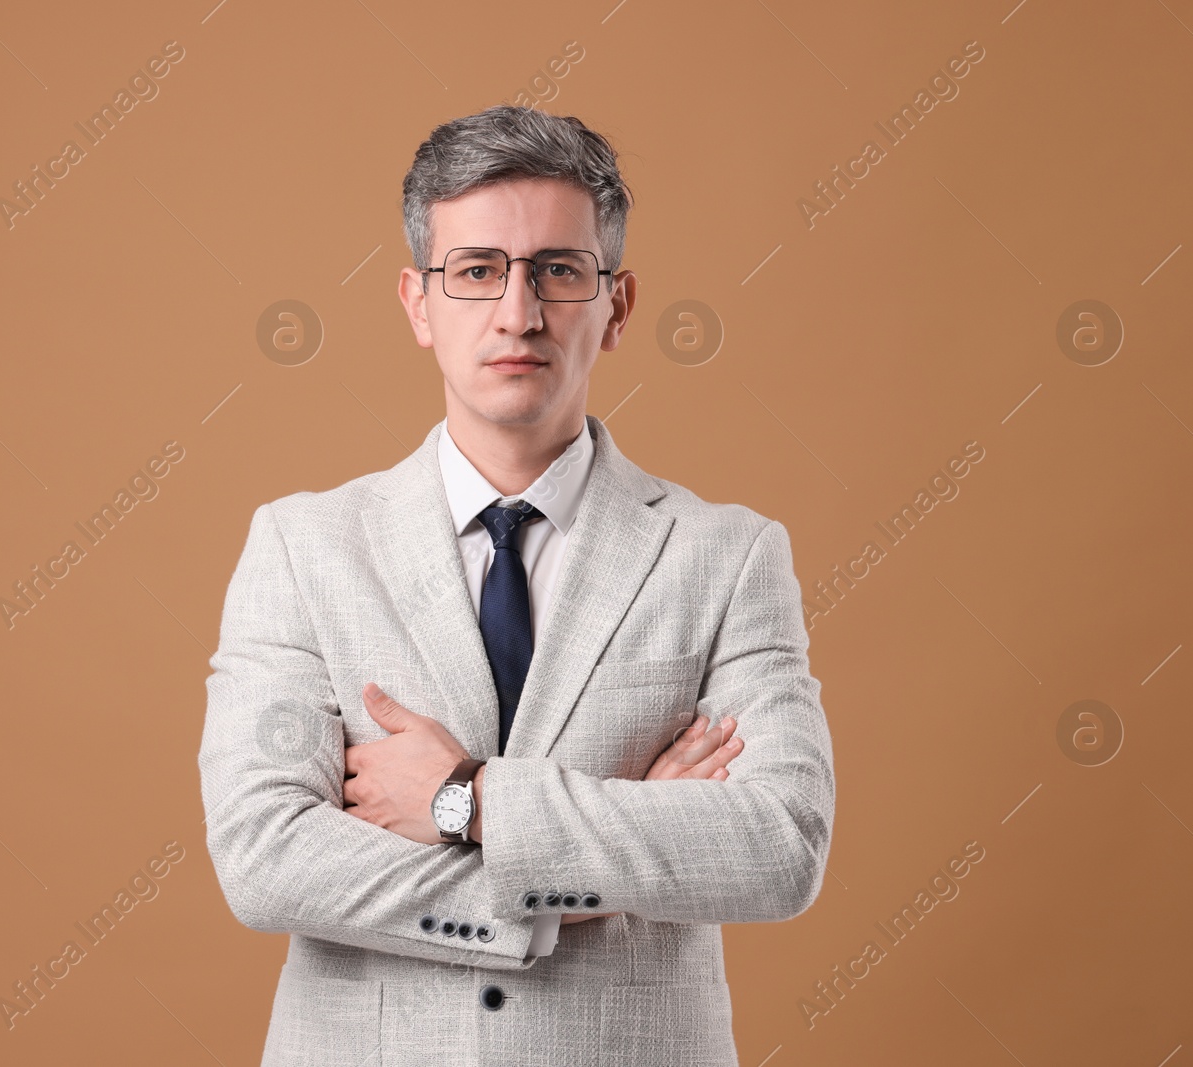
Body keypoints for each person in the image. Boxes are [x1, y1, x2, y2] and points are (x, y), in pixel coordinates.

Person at [198, 104, 835, 1066]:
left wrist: (466, 800)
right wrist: (581, 890)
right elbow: (265, 855)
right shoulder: (302, 546)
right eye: (478, 271)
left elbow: (777, 844)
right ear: (418, 302)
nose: (518, 312)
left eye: (559, 272)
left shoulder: (729, 556)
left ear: (616, 305)